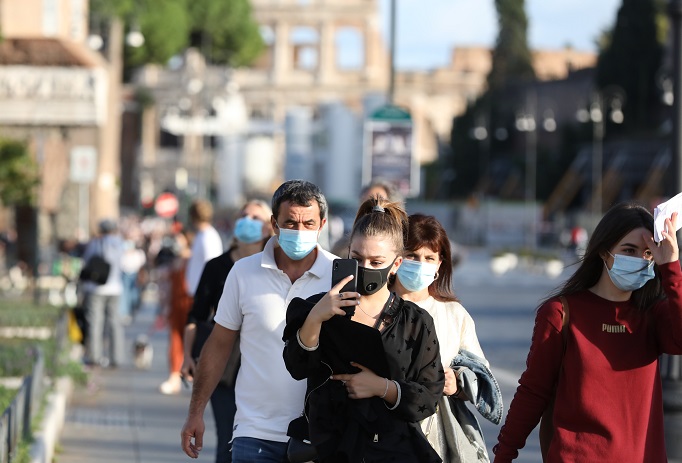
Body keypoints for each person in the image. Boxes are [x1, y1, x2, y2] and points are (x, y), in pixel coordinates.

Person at [493, 201, 682, 462]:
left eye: (649, 253)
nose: (641, 260)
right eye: (629, 250)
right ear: (604, 251)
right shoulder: (560, 313)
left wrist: (671, 266)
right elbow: (533, 392)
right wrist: (503, 455)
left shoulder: (653, 315)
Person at [181, 180, 337, 463]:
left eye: (308, 224)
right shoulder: (243, 272)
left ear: (322, 225)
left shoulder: (338, 278)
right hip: (254, 432)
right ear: (274, 224)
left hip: (319, 437)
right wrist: (195, 412)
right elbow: (218, 344)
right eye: (290, 223)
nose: (299, 232)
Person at [282, 197, 445, 463]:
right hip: (330, 448)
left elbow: (428, 397)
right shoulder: (317, 307)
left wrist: (382, 387)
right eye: (357, 258)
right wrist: (315, 318)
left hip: (392, 452)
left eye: (376, 262)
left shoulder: (415, 322)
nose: (365, 268)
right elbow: (297, 367)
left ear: (396, 264)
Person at [391, 214, 501, 461]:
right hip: (381, 432)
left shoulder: (454, 314)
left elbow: (480, 374)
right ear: (396, 257)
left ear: (440, 263)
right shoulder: (374, 305)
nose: (420, 264)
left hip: (436, 437)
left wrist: (458, 384)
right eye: (412, 256)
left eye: (429, 258)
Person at [180, 199, 274, 463]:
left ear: (270, 226)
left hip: (262, 364)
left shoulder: (276, 267)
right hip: (223, 365)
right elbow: (196, 316)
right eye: (243, 215)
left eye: (255, 217)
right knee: (229, 437)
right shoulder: (216, 267)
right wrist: (187, 357)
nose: (247, 221)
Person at [81, 219, 125, 367]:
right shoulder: (120, 243)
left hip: (96, 287)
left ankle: (95, 356)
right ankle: (116, 357)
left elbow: (86, 261)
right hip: (115, 287)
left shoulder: (95, 243)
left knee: (95, 322)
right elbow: (124, 264)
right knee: (115, 322)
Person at [159, 230, 194, 395]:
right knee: (175, 340)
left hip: (190, 305)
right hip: (176, 305)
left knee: (193, 343)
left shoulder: (193, 259)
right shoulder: (176, 261)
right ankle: (174, 377)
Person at [185, 199, 224, 297]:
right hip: (198, 292)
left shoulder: (208, 237)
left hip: (205, 294)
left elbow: (213, 267)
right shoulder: (201, 235)